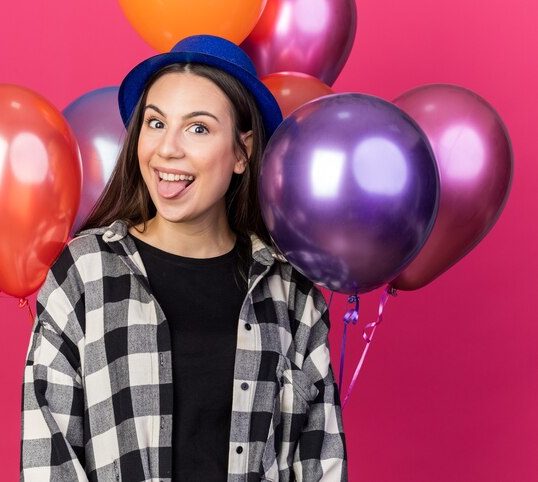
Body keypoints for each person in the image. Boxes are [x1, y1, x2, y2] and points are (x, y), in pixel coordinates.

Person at [20, 34, 346, 482]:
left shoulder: (291, 293)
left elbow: (321, 462)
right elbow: (48, 457)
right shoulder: (85, 272)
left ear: (242, 152)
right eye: (156, 123)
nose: (168, 148)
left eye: (198, 128)